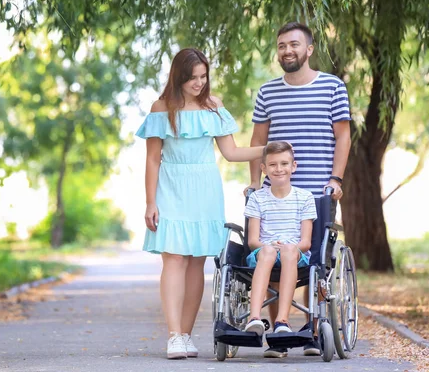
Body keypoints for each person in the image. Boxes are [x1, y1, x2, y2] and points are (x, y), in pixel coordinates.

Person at [136, 48, 265, 360]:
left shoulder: (213, 106)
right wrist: (150, 202)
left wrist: (269, 149)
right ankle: (173, 336)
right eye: (192, 77)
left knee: (197, 261)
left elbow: (232, 153)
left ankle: (186, 335)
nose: (198, 83)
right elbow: (153, 160)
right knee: (174, 259)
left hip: (205, 187)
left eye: (203, 76)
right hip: (171, 187)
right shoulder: (161, 107)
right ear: (178, 77)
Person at [245, 21, 351, 357]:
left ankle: (314, 327)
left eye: (294, 44)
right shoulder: (267, 92)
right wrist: (252, 184)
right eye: (281, 46)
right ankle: (280, 331)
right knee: (274, 255)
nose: (287, 51)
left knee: (316, 258)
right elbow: (258, 143)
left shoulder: (333, 86)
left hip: (318, 190)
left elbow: (343, 136)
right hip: (274, 187)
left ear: (309, 49)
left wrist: (336, 179)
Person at [243, 141, 317, 357]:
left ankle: (282, 321)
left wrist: (288, 247)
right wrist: (269, 246)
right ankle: (254, 318)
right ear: (264, 168)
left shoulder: (305, 198)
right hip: (264, 253)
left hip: (295, 254)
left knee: (288, 251)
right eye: (273, 164)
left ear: (293, 166)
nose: (279, 168)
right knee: (267, 251)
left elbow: (306, 242)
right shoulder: (257, 198)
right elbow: (253, 241)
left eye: (284, 163)